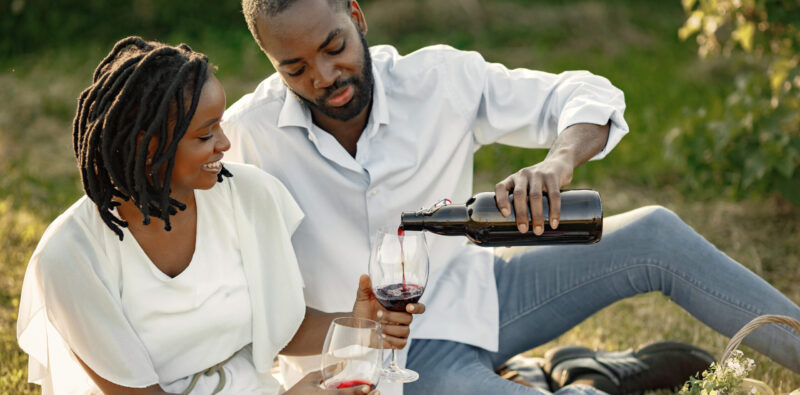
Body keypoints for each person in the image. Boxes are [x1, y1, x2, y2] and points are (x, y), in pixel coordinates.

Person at [222, 0, 800, 394]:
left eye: (333, 47)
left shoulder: (439, 80)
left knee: (654, 232)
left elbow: (584, 94)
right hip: (378, 362)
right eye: (294, 68)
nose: (324, 76)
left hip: (482, 297)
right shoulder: (249, 134)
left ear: (356, 14)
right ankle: (589, 376)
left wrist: (559, 160)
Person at [16, 36, 425, 395]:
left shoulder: (248, 196)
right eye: (205, 134)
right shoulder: (71, 256)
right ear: (149, 143)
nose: (225, 143)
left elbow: (280, 327)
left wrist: (355, 323)